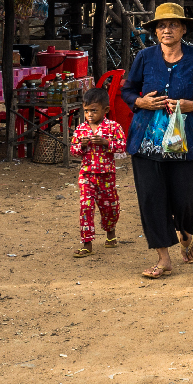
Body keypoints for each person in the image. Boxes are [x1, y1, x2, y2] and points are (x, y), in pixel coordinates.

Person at [122, 3, 193, 280]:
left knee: (187, 198)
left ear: (184, 29)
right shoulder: (144, 57)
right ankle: (163, 259)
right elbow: (127, 90)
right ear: (155, 31)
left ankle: (186, 235)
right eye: (161, 25)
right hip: (147, 139)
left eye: (173, 25)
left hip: (184, 139)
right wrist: (140, 102)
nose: (167, 30)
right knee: (151, 198)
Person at [70, 87, 126, 258]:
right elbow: (73, 151)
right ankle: (87, 243)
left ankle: (110, 233)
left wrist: (106, 143)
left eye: (94, 111)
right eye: (86, 111)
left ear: (105, 110)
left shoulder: (114, 127)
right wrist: (82, 145)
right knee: (85, 207)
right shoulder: (81, 129)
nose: (89, 115)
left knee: (110, 208)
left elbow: (122, 147)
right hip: (86, 175)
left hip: (107, 176)